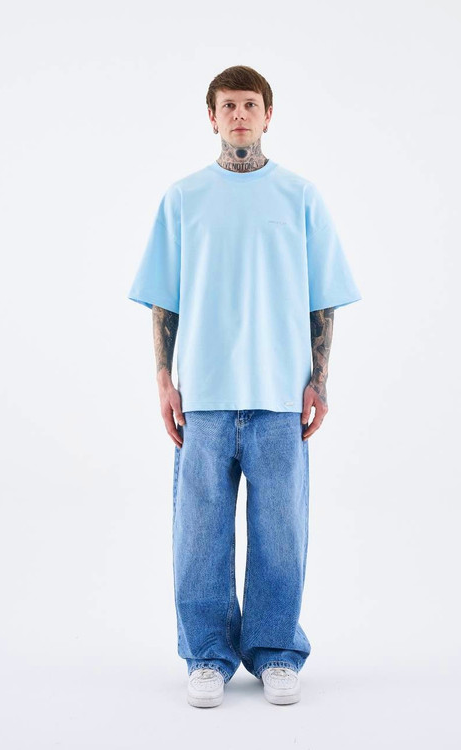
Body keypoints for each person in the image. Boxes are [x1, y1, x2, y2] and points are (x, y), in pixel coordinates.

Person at [128, 65, 362, 708]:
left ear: (268, 115)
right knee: (199, 538)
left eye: (250, 104)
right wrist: (163, 380)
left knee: (281, 535)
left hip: (279, 395)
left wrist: (319, 379)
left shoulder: (300, 196)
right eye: (227, 105)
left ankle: (276, 651)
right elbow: (165, 298)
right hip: (203, 397)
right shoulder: (183, 198)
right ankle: (207, 655)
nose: (239, 114)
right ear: (211, 117)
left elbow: (322, 297)